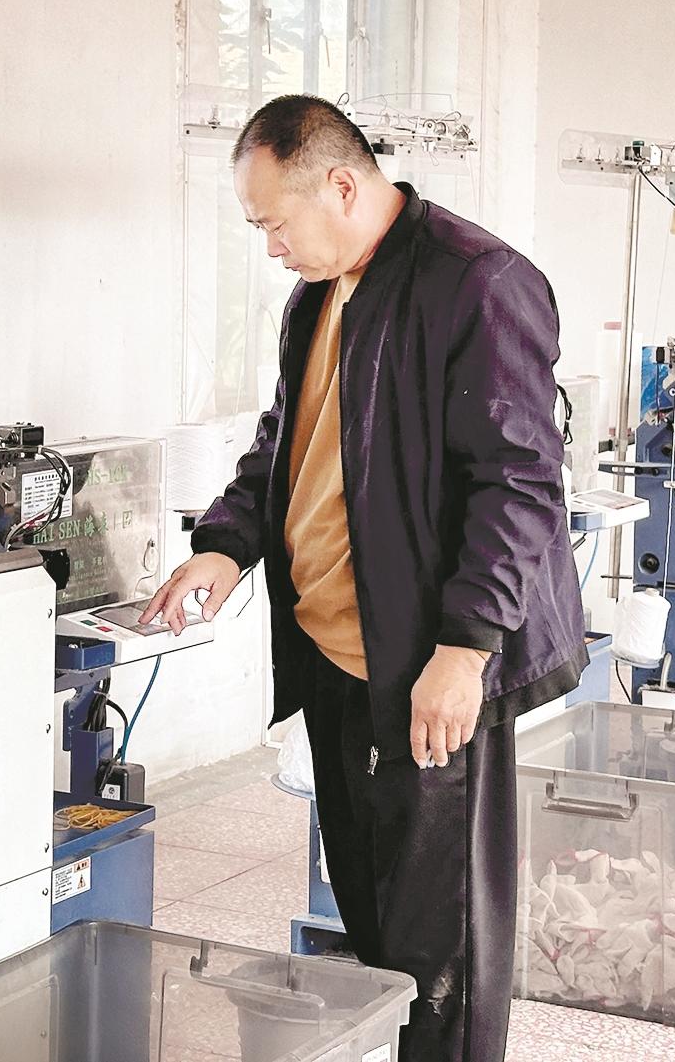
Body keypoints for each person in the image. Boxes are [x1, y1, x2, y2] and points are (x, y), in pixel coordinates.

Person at [139, 95, 586, 1062]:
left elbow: (518, 485)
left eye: (274, 223)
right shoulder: (321, 293)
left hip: (426, 665)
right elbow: (288, 442)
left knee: (443, 945)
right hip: (338, 661)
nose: (270, 247)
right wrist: (226, 543)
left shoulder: (479, 282)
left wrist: (465, 649)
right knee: (376, 932)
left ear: (341, 185)